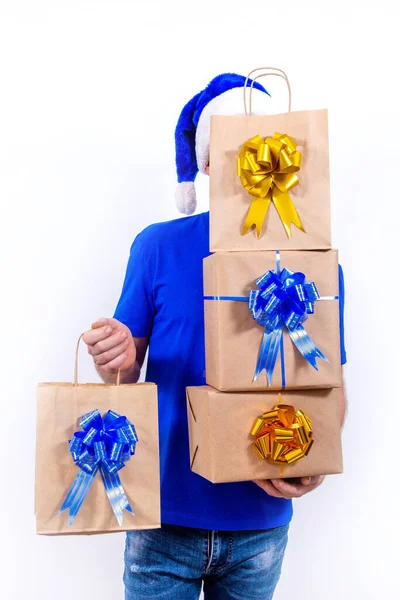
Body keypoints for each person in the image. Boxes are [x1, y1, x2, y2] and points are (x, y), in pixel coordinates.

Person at [83, 73, 347, 600]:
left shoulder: (312, 263)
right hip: (164, 520)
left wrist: (315, 465)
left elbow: (329, 387)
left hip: (261, 523)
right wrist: (111, 352)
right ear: (207, 161)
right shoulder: (157, 246)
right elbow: (124, 370)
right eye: (236, 147)